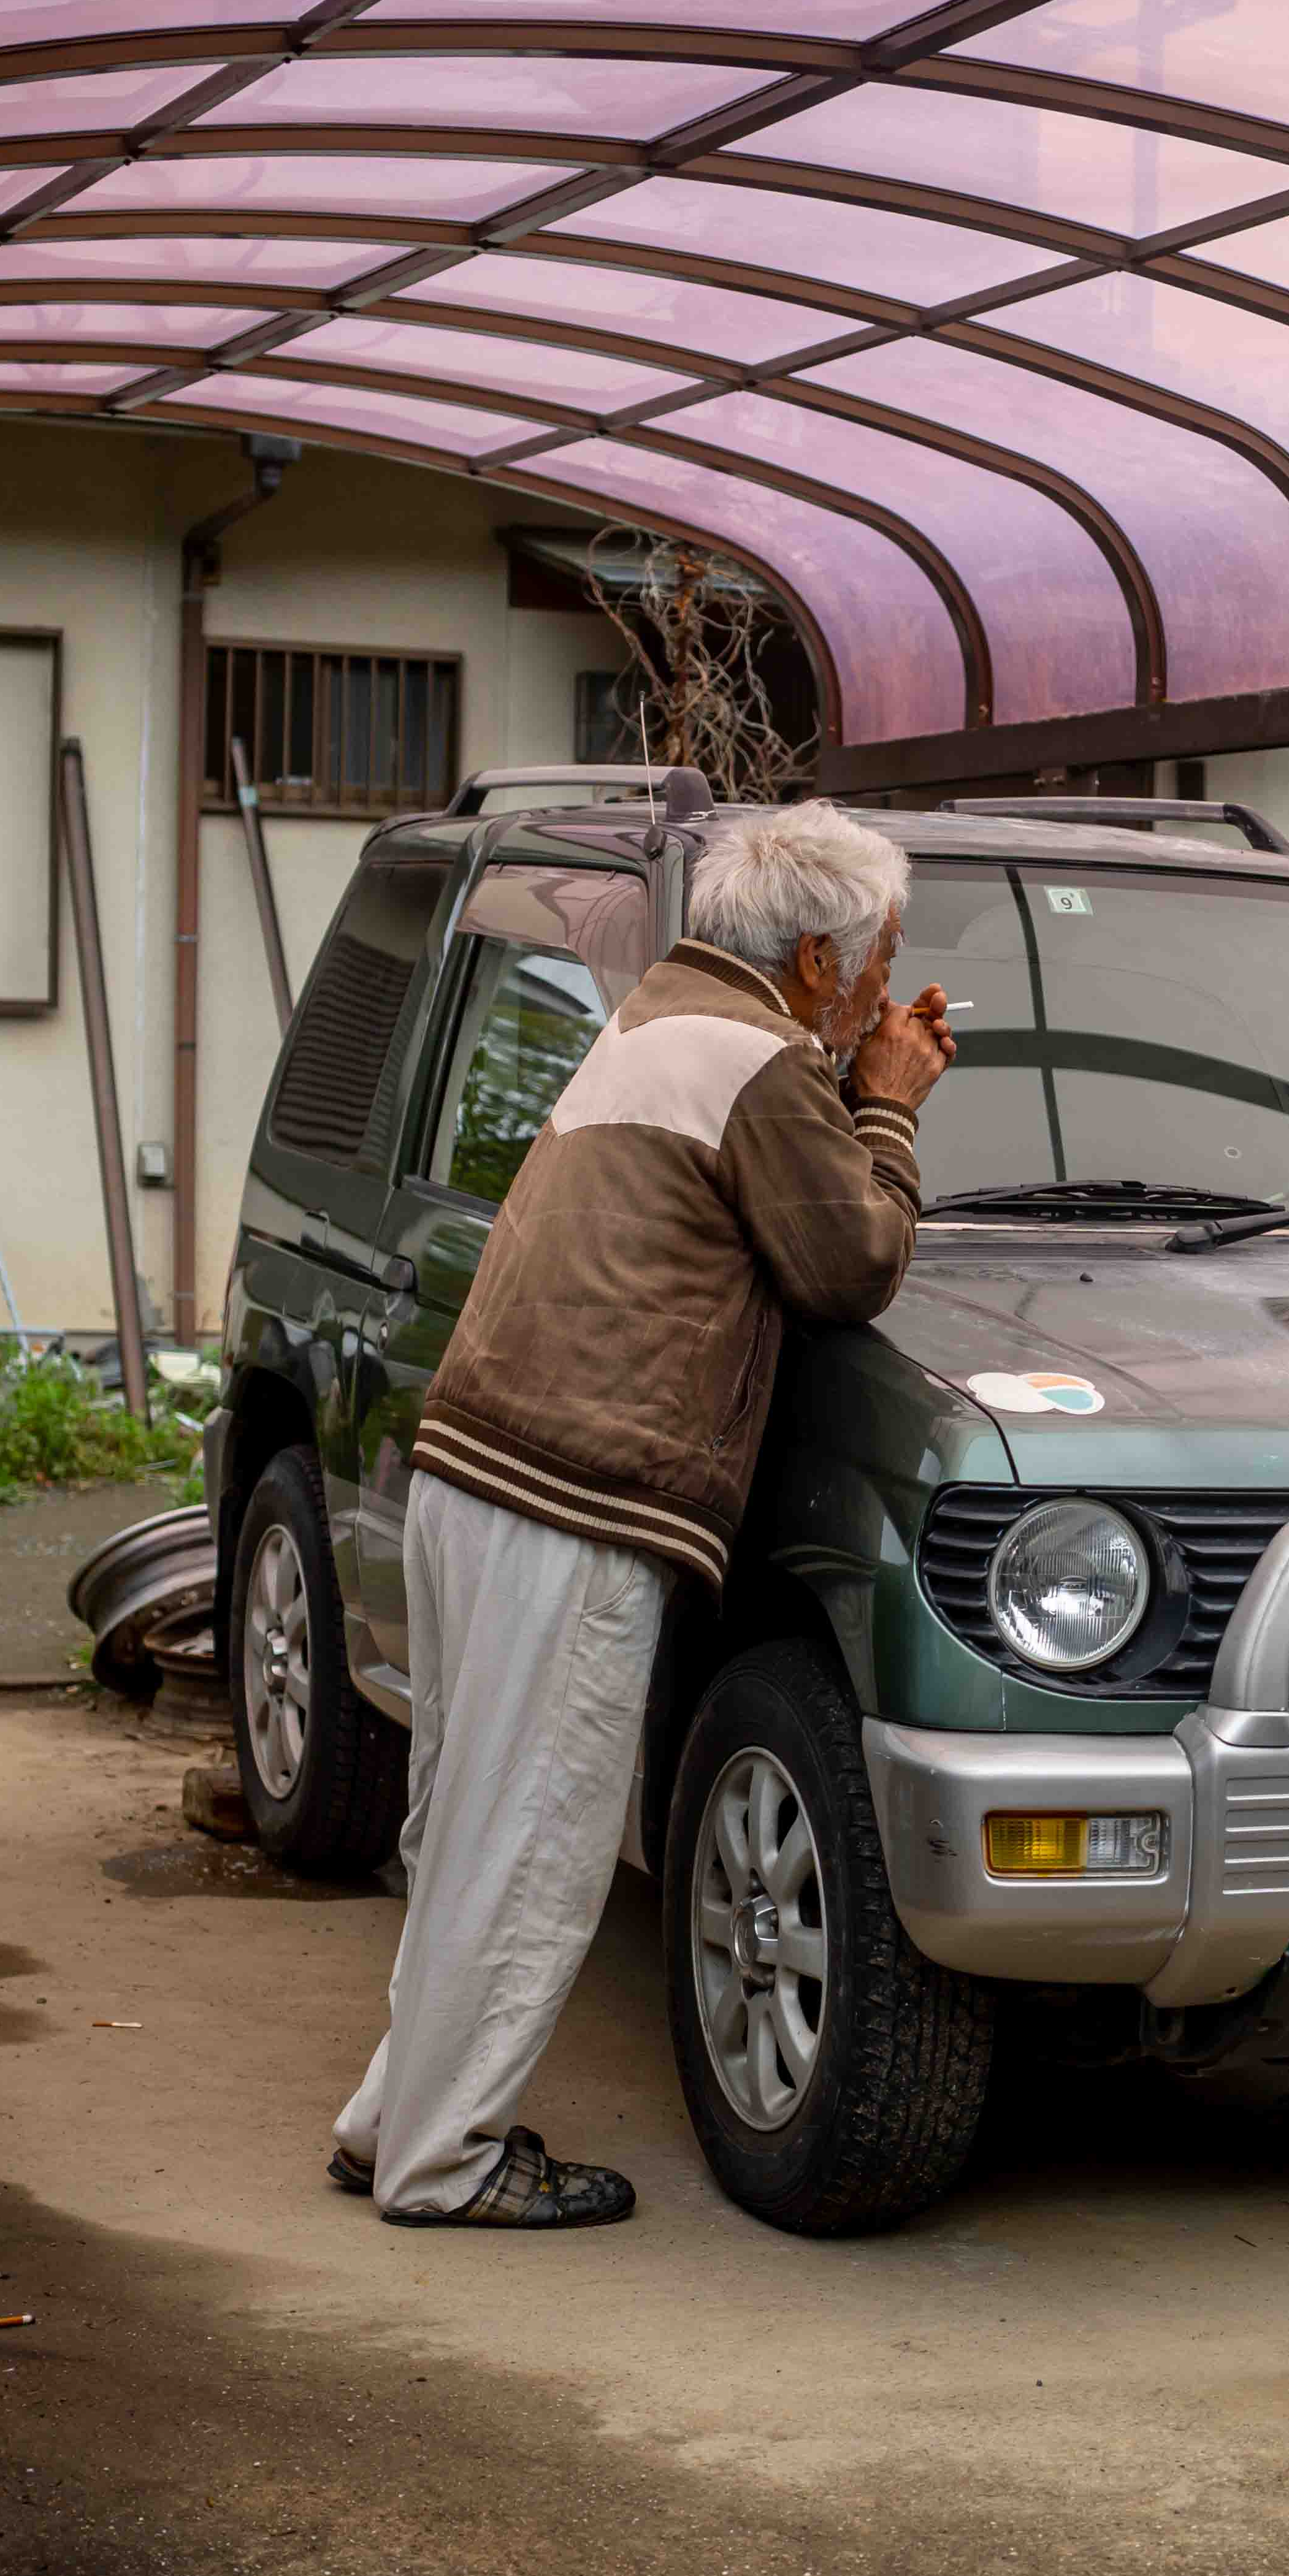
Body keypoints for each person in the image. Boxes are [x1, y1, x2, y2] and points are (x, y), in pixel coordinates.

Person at [326, 801, 955, 2229]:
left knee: (467, 1820)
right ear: (812, 961)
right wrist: (891, 1101)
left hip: (479, 1467)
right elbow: (850, 1262)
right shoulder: (760, 1064)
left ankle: (393, 2119)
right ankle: (447, 2163)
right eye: (875, 962)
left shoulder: (654, 1020)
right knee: (533, 1832)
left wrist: (849, 1081)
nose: (877, 991)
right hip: (572, 1493)